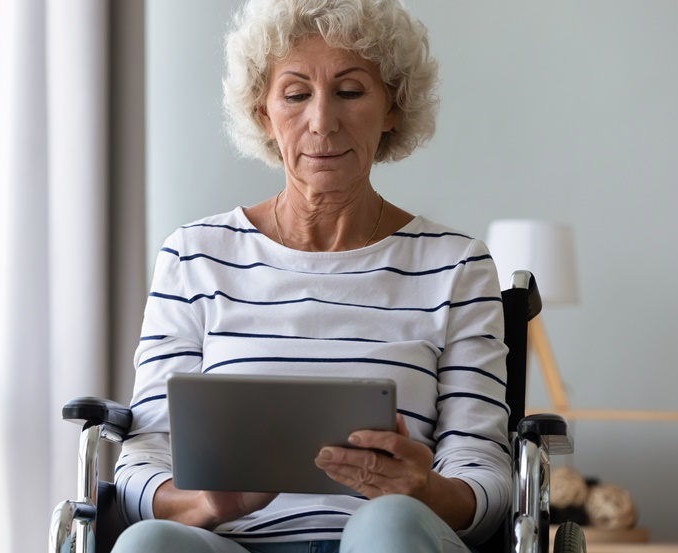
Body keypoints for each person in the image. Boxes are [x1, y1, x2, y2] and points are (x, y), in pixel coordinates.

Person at [112, 0, 511, 552]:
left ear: (392, 106)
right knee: (145, 545)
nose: (322, 121)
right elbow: (142, 458)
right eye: (296, 94)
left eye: (349, 91)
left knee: (388, 525)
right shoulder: (194, 257)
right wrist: (206, 502)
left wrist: (425, 491)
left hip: (394, 541)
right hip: (233, 543)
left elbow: (487, 479)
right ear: (263, 113)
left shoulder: (456, 266)